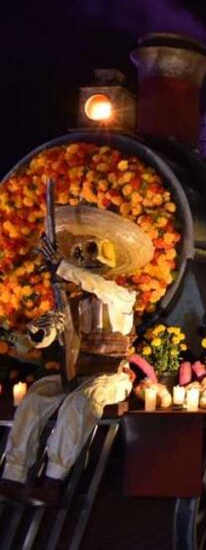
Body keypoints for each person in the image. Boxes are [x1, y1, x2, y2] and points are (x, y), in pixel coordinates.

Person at [0, 206, 152, 505]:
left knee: (81, 402)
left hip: (112, 377)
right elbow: (50, 333)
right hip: (77, 373)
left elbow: (99, 287)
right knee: (36, 397)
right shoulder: (71, 300)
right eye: (79, 256)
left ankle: (53, 479)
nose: (85, 262)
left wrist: (64, 270)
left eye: (91, 256)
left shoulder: (121, 296)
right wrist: (40, 332)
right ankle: (13, 477)